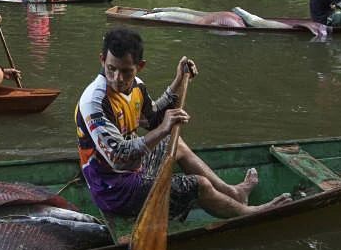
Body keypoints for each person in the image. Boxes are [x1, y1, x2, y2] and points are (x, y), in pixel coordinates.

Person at [74, 27, 291, 218]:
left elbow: (152, 117)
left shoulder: (137, 86)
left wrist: (177, 82)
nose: (118, 78)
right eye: (111, 68)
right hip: (114, 189)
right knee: (199, 185)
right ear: (102, 60)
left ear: (139, 66)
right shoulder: (95, 101)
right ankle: (247, 213)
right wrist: (162, 129)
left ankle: (233, 193)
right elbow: (119, 158)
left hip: (133, 169)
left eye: (126, 71)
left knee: (175, 143)